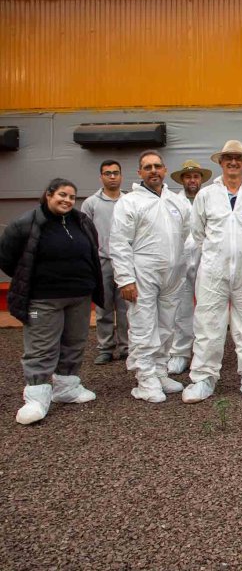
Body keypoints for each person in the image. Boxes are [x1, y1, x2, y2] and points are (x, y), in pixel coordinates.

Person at [0, 178, 103, 425]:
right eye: (62, 195)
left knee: (74, 342)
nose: (67, 200)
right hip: (42, 299)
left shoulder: (81, 221)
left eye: (71, 197)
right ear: (48, 194)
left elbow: (93, 250)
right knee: (41, 346)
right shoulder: (26, 223)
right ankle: (36, 396)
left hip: (79, 296)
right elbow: (7, 258)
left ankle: (66, 388)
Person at [182, 140, 242, 403]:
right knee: (208, 325)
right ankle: (203, 378)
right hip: (212, 272)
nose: (233, 162)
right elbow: (198, 234)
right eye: (228, 158)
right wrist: (218, 255)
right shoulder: (207, 195)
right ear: (221, 163)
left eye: (238, 158)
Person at [110, 150, 191, 402]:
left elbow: (189, 236)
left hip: (173, 275)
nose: (153, 170)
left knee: (167, 326)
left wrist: (185, 267)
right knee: (144, 326)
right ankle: (145, 378)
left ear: (165, 170)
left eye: (157, 166)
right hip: (142, 274)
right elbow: (119, 242)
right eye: (148, 167)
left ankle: (159, 370)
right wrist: (125, 278)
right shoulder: (129, 202)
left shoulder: (177, 201)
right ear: (140, 173)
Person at [166, 159, 212, 375]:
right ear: (182, 180)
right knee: (182, 309)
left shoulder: (210, 199)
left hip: (207, 260)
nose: (192, 180)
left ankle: (206, 355)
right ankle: (180, 353)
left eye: (195, 176)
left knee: (207, 308)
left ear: (201, 179)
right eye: (188, 177)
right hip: (182, 259)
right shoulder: (173, 202)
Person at [81, 159, 129, 365]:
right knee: (103, 307)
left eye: (115, 173)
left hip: (125, 261)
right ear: (101, 176)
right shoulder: (91, 203)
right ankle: (105, 348)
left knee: (127, 308)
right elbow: (85, 234)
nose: (112, 176)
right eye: (107, 173)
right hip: (102, 262)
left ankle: (127, 347)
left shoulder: (130, 200)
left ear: (121, 176)